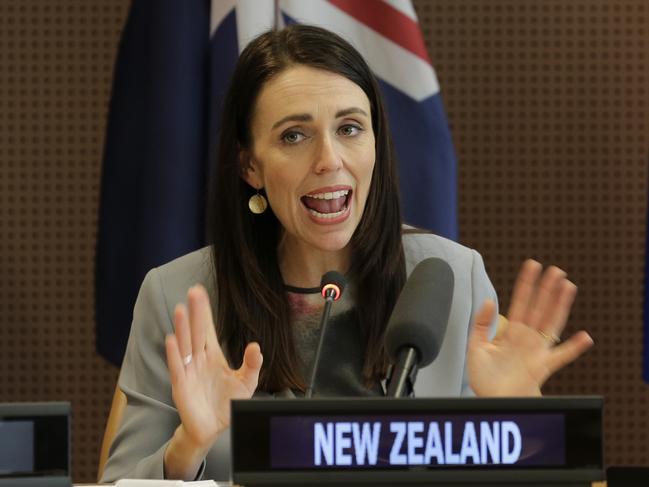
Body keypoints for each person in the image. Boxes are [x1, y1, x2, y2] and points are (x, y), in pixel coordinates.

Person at [101, 25, 594, 482]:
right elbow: (120, 481)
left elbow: (519, 474)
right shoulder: (178, 295)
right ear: (250, 166)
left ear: (376, 145)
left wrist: (519, 419)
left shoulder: (449, 276)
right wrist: (189, 444)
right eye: (294, 135)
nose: (329, 160)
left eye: (350, 128)